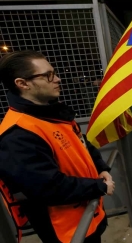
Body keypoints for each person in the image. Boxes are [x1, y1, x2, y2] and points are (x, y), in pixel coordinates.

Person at [0, 50, 115, 243]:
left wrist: (101, 168)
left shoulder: (52, 113)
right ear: (22, 83)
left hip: (87, 217)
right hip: (66, 231)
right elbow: (47, 187)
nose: (58, 79)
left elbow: (82, 143)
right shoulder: (17, 134)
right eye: (47, 76)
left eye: (53, 73)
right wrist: (98, 187)